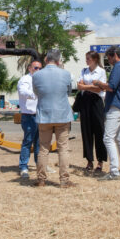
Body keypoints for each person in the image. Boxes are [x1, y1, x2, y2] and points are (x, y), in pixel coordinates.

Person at [32, 49, 77, 188]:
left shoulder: (36, 75)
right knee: (63, 148)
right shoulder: (66, 74)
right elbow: (69, 92)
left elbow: (36, 92)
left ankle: (41, 179)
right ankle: (64, 180)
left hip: (44, 115)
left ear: (46, 59)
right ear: (58, 61)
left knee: (43, 148)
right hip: (62, 115)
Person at [92, 46, 120, 181]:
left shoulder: (118, 67)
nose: (109, 62)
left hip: (115, 106)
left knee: (108, 138)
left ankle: (114, 172)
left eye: (109, 58)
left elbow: (111, 87)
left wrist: (99, 83)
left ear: (114, 55)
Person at [77, 51, 108, 173]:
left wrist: (86, 86)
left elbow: (99, 89)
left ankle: (100, 160)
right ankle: (89, 160)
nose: (86, 61)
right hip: (85, 102)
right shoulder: (84, 71)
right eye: (86, 58)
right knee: (86, 131)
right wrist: (90, 87)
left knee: (99, 130)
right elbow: (79, 85)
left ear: (95, 59)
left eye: (88, 58)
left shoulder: (101, 71)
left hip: (96, 102)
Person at [17, 60, 42, 178]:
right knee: (28, 141)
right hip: (28, 115)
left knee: (39, 142)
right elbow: (22, 91)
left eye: (40, 68)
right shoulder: (25, 79)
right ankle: (23, 167)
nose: (38, 70)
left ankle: (39, 165)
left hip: (39, 114)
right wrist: (35, 94)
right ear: (29, 68)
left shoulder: (40, 79)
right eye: (36, 68)